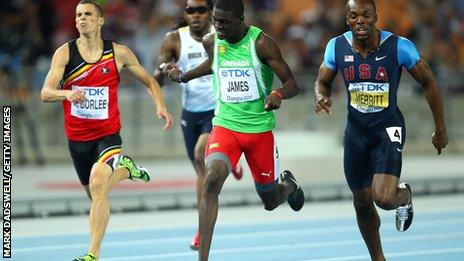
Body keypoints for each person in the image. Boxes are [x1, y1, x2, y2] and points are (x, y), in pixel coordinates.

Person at [167, 0, 305, 259]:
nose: (217, 26)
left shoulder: (261, 44)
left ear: (241, 20)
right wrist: (184, 76)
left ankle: (289, 186)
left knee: (270, 200)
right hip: (225, 126)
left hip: (259, 131)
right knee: (211, 181)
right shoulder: (212, 40)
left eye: (224, 22)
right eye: (216, 20)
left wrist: (277, 93)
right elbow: (213, 64)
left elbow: (292, 83)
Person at [313, 0, 449, 260]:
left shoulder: (399, 47)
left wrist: (440, 128)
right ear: (347, 20)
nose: (360, 20)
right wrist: (321, 96)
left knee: (384, 199)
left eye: (366, 15)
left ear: (375, 17)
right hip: (355, 134)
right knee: (362, 202)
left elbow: (429, 82)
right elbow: (322, 82)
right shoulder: (336, 47)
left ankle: (404, 195)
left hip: (388, 129)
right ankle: (378, 257)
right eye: (354, 16)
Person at [40, 1, 173, 260]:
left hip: (107, 135)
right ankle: (126, 169)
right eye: (78, 15)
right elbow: (45, 92)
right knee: (95, 194)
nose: (81, 19)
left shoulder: (118, 53)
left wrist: (161, 106)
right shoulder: (64, 54)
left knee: (99, 184)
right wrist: (67, 94)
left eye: (88, 14)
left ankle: (93, 254)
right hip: (77, 139)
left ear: (100, 20)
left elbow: (149, 80)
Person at [154, 0, 244, 251]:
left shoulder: (221, 36)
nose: (195, 15)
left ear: (210, 13)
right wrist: (165, 69)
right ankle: (228, 161)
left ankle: (201, 229)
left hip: (217, 111)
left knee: (199, 156)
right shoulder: (174, 38)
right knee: (199, 170)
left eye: (201, 10)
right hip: (190, 114)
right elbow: (160, 67)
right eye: (190, 10)